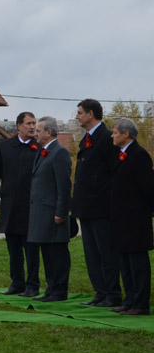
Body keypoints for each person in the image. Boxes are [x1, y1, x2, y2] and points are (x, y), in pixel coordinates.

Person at [72, 99, 122, 308]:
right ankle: (100, 292)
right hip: (87, 207)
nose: (77, 116)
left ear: (90, 114)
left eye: (80, 112)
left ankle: (112, 293)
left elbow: (115, 173)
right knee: (92, 254)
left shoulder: (107, 138)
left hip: (102, 207)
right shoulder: (87, 139)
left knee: (106, 253)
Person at [0, 112, 41, 297]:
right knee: (14, 248)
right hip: (10, 205)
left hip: (31, 207)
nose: (32, 126)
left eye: (34, 123)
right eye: (28, 123)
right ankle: (17, 282)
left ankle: (33, 285)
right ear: (18, 126)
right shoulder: (5, 147)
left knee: (31, 249)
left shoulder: (39, 148)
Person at [108, 118, 154, 315]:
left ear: (126, 134)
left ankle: (141, 303)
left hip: (135, 220)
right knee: (124, 263)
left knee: (137, 263)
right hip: (121, 219)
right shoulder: (122, 155)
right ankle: (130, 300)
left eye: (115, 132)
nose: (112, 135)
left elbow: (148, 188)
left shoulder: (139, 155)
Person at [28, 117, 72, 303]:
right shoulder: (43, 152)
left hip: (53, 213)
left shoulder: (59, 152)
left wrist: (61, 212)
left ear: (48, 132)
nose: (35, 133)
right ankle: (51, 289)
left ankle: (59, 290)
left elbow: (63, 186)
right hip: (42, 213)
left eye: (38, 130)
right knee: (47, 252)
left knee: (57, 254)